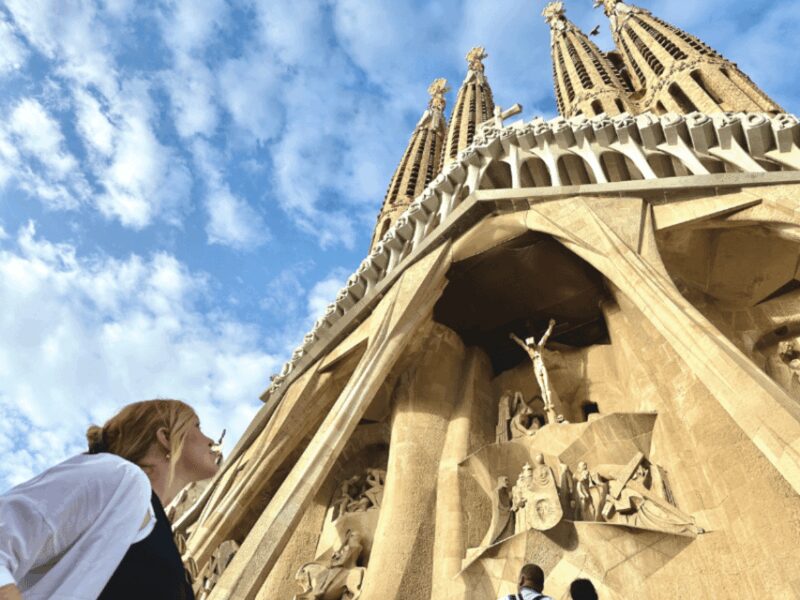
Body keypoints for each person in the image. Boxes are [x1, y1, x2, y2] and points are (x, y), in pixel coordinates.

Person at [0, 399, 220, 600]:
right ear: (165, 438)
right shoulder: (119, 476)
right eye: (197, 426)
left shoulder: (154, 525)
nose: (210, 440)